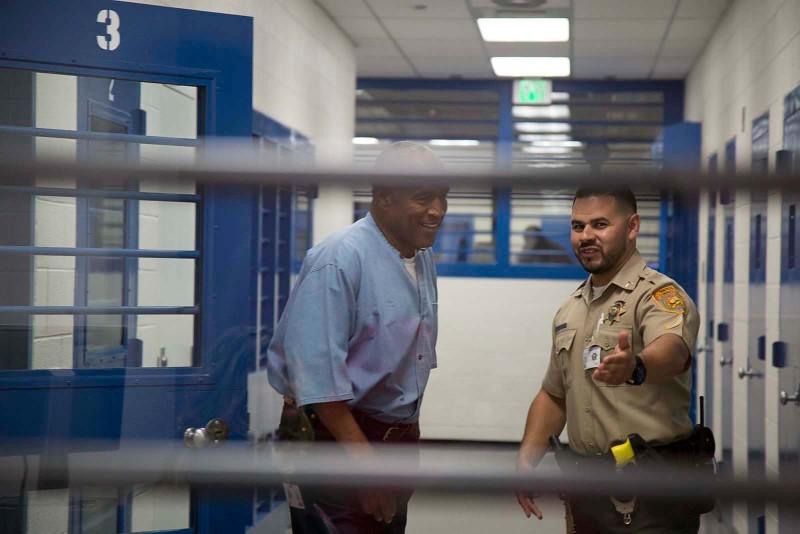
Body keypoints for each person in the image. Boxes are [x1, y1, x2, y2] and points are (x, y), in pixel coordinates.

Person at [266, 141, 448, 533]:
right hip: (338, 442)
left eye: (442, 197)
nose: (437, 210)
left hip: (393, 439)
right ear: (384, 197)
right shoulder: (338, 259)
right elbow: (318, 383)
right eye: (423, 198)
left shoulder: (419, 254)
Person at [516, 187, 702, 533]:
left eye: (600, 224)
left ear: (632, 227)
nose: (586, 236)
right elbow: (554, 395)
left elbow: (673, 350)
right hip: (587, 492)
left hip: (651, 493)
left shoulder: (659, 295)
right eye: (578, 226)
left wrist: (637, 365)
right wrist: (527, 461)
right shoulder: (570, 309)